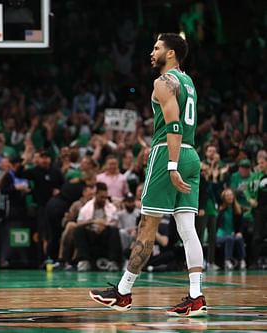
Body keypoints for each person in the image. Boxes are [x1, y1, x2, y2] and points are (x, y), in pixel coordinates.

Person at [89, 33, 206, 317]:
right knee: (187, 230)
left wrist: (171, 165)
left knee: (147, 227)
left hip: (170, 152)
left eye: (157, 48)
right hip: (192, 155)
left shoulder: (164, 82)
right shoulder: (188, 82)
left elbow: (174, 125)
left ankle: (123, 291)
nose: (151, 52)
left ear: (171, 53)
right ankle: (196, 296)